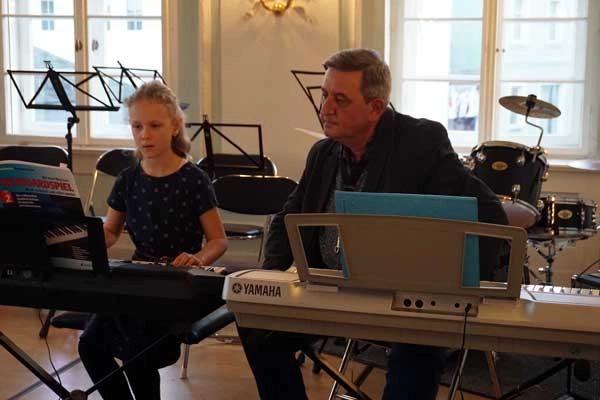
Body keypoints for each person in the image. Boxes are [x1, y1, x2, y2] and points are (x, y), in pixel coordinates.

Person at [238, 48, 507, 400]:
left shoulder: (420, 142)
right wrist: (271, 276)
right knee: (256, 326)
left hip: (403, 303)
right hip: (331, 292)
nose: (325, 108)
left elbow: (488, 212)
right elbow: (287, 217)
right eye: (324, 95)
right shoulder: (323, 153)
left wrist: (463, 291)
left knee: (418, 351)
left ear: (376, 107)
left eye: (340, 100)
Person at [78, 80, 228, 400]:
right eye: (137, 126)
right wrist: (84, 240)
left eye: (154, 126)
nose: (144, 135)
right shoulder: (128, 178)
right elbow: (110, 231)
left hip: (177, 284)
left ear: (174, 127)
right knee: (89, 345)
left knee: (138, 354)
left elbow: (218, 241)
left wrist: (197, 258)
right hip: (137, 278)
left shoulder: (194, 180)